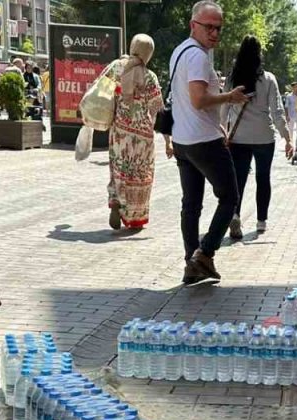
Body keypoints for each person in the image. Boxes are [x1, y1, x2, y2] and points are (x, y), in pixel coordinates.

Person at [170, 0, 250, 284]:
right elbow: (198, 99)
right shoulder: (198, 57)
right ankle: (204, 253)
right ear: (194, 25)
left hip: (183, 140)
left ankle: (192, 263)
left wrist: (218, 123)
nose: (215, 33)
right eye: (209, 27)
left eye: (219, 28)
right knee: (230, 196)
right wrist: (230, 97)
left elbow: (187, 103)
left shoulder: (180, 52)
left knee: (191, 204)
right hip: (203, 142)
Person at [224, 35, 292, 237]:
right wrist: (288, 138)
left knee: (239, 179)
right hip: (264, 137)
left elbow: (224, 109)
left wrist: (222, 131)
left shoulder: (231, 78)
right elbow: (277, 112)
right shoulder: (269, 79)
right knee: (263, 178)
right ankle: (261, 221)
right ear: (259, 54)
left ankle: (235, 215)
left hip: (239, 138)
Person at [100, 34, 165, 231]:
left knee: (118, 169)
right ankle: (135, 215)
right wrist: (168, 140)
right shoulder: (149, 76)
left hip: (119, 131)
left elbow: (101, 91)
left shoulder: (116, 67)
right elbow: (157, 108)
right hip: (143, 135)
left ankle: (116, 202)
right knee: (139, 173)